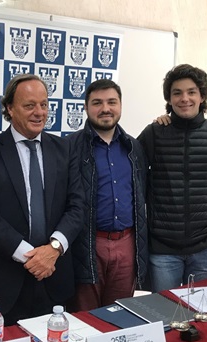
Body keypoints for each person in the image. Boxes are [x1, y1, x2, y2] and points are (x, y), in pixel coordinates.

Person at [0, 74, 84, 325]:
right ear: (9, 108)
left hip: (55, 279)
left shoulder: (65, 150)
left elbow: (77, 206)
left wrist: (53, 250)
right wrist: (31, 256)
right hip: (2, 284)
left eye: (44, 104)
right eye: (29, 105)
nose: (39, 112)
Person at [138, 64, 207, 292]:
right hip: (163, 248)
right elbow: (130, 171)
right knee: (164, 313)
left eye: (191, 92)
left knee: (199, 314)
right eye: (177, 93)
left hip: (206, 246)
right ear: (169, 98)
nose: (184, 98)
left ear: (202, 96)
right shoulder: (154, 133)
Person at [67, 79, 148, 311]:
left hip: (127, 244)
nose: (105, 108)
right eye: (97, 103)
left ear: (120, 105)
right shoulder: (69, 147)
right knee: (85, 315)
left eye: (112, 102)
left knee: (120, 314)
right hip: (87, 244)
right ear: (86, 107)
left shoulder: (134, 147)